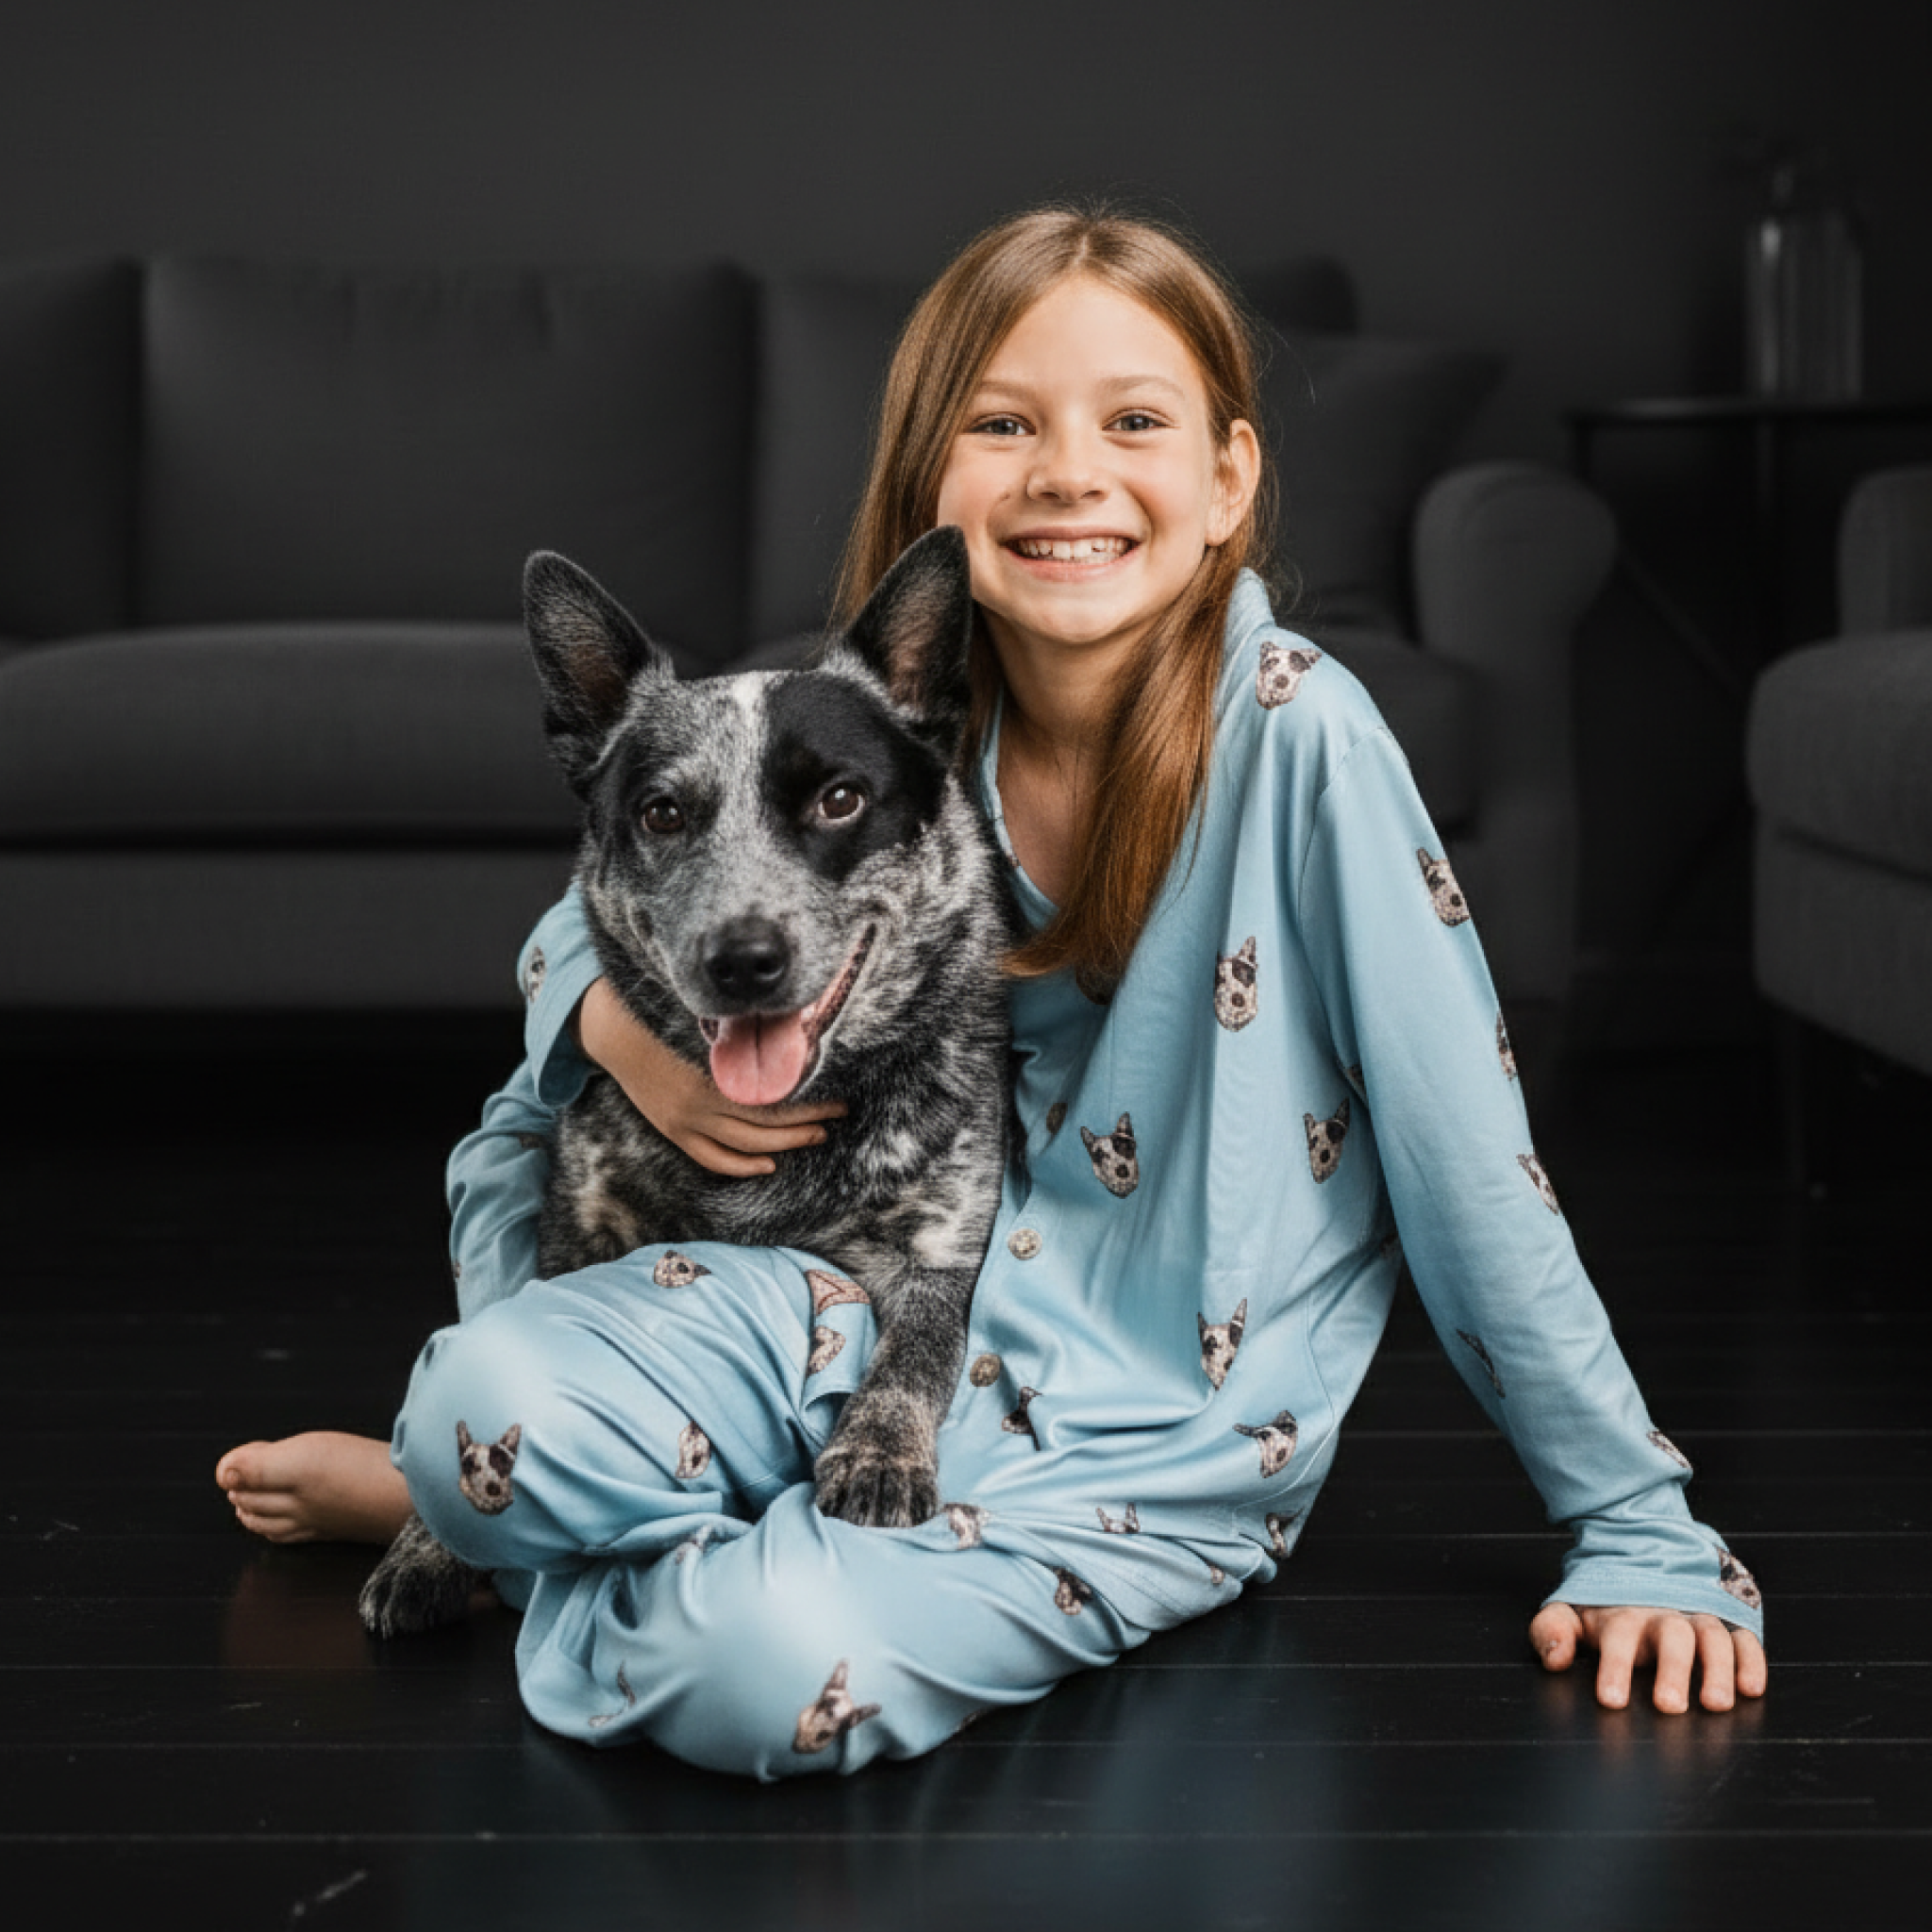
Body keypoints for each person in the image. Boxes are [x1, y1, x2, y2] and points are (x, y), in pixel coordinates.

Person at [217, 204, 1768, 1778]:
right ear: (927, 490)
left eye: (1134, 422)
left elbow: (1468, 1157)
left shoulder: (1303, 741)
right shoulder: (878, 728)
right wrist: (624, 1028)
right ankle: (490, 1477)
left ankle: (504, 1513)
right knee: (479, 1376)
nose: (1068, 472)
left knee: (759, 1667)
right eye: (1005, 423)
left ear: (1229, 480)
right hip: (835, 1318)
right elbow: (604, 903)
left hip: (1139, 1428)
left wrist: (1633, 1519)